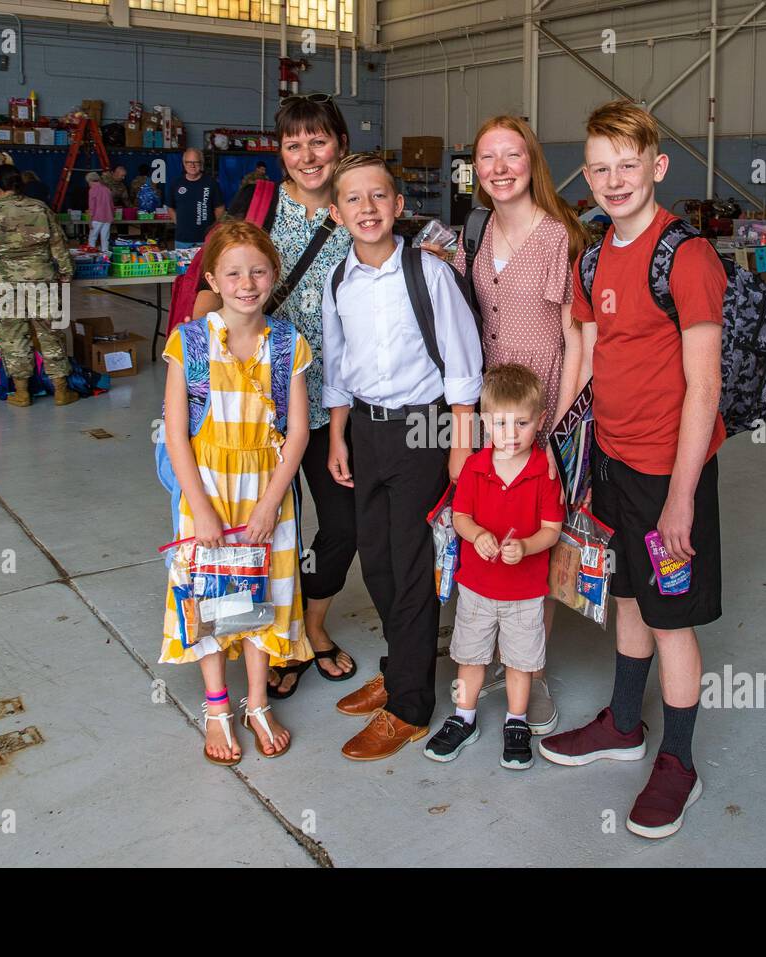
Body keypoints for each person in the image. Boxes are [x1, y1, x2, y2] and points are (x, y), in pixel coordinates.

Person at [538, 100, 726, 841]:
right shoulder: (593, 255)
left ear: (658, 165)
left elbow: (704, 386)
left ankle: (677, 761)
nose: (615, 180)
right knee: (627, 597)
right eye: (600, 168)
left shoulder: (687, 256)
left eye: (628, 164)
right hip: (611, 464)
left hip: (669, 473)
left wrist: (680, 498)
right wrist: (554, 443)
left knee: (670, 619)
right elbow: (586, 351)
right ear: (586, 174)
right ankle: (623, 723)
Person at [322, 153, 483, 761]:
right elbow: (337, 367)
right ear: (337, 215)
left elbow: (465, 366)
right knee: (378, 561)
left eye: (378, 197)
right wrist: (338, 435)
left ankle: (411, 706)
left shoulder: (428, 273)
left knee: (413, 565)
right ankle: (398, 669)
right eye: (354, 200)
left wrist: (459, 447)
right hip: (366, 428)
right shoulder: (341, 280)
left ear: (397, 205)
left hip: (424, 431)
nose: (367, 208)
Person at [442, 113, 590, 735]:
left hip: (541, 418)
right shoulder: (475, 229)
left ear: (532, 162)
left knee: (539, 541)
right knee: (488, 526)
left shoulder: (559, 235)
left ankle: (531, 666)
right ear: (476, 170)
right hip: (488, 415)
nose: (500, 169)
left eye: (512, 156)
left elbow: (578, 337)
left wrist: (554, 427)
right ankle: (488, 661)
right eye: (488, 158)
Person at [212, 93, 358, 697]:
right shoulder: (261, 206)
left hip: (333, 403)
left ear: (340, 146)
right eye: (294, 144)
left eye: (318, 141)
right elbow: (209, 284)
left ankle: (313, 626)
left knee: (343, 526)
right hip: (254, 405)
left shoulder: (359, 209)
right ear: (280, 153)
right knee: (263, 527)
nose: (307, 155)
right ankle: (276, 642)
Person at [159, 219, 312, 763]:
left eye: (258, 271)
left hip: (266, 493)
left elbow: (297, 432)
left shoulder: (289, 343)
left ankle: (256, 701)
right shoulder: (190, 342)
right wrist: (198, 507)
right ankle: (218, 707)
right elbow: (176, 433)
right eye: (233, 273)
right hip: (207, 491)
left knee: (261, 596)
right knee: (207, 594)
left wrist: (272, 504)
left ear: (273, 274)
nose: (247, 283)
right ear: (213, 280)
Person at [423, 364, 565, 769]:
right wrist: (476, 534)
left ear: (539, 421)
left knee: (520, 661)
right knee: (470, 655)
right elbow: (461, 516)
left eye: (521, 423)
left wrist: (526, 545)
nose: (511, 433)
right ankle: (463, 716)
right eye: (501, 423)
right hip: (477, 586)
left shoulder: (544, 472)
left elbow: (552, 530)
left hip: (524, 591)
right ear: (485, 422)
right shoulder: (474, 467)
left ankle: (516, 720)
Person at [0, 165, 78, 408]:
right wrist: (66, 273)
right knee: (51, 335)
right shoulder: (40, 208)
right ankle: (61, 391)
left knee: (13, 337)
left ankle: (21, 393)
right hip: (42, 282)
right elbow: (59, 246)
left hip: (5, 285)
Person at [170, 148, 224, 249]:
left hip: (206, 239)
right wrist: (181, 224)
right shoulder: (176, 183)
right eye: (188, 162)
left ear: (201, 163)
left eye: (196, 162)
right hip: (182, 239)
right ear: (184, 163)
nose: (192, 165)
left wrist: (212, 228)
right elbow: (170, 207)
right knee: (183, 265)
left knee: (206, 265)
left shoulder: (211, 183)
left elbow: (219, 208)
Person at [86, 171, 114, 252]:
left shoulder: (92, 190)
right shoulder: (107, 189)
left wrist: (90, 220)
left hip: (97, 218)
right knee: (105, 239)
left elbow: (92, 207)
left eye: (88, 182)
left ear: (90, 180)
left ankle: (91, 257)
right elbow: (112, 205)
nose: (88, 184)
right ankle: (105, 258)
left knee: (92, 238)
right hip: (108, 217)